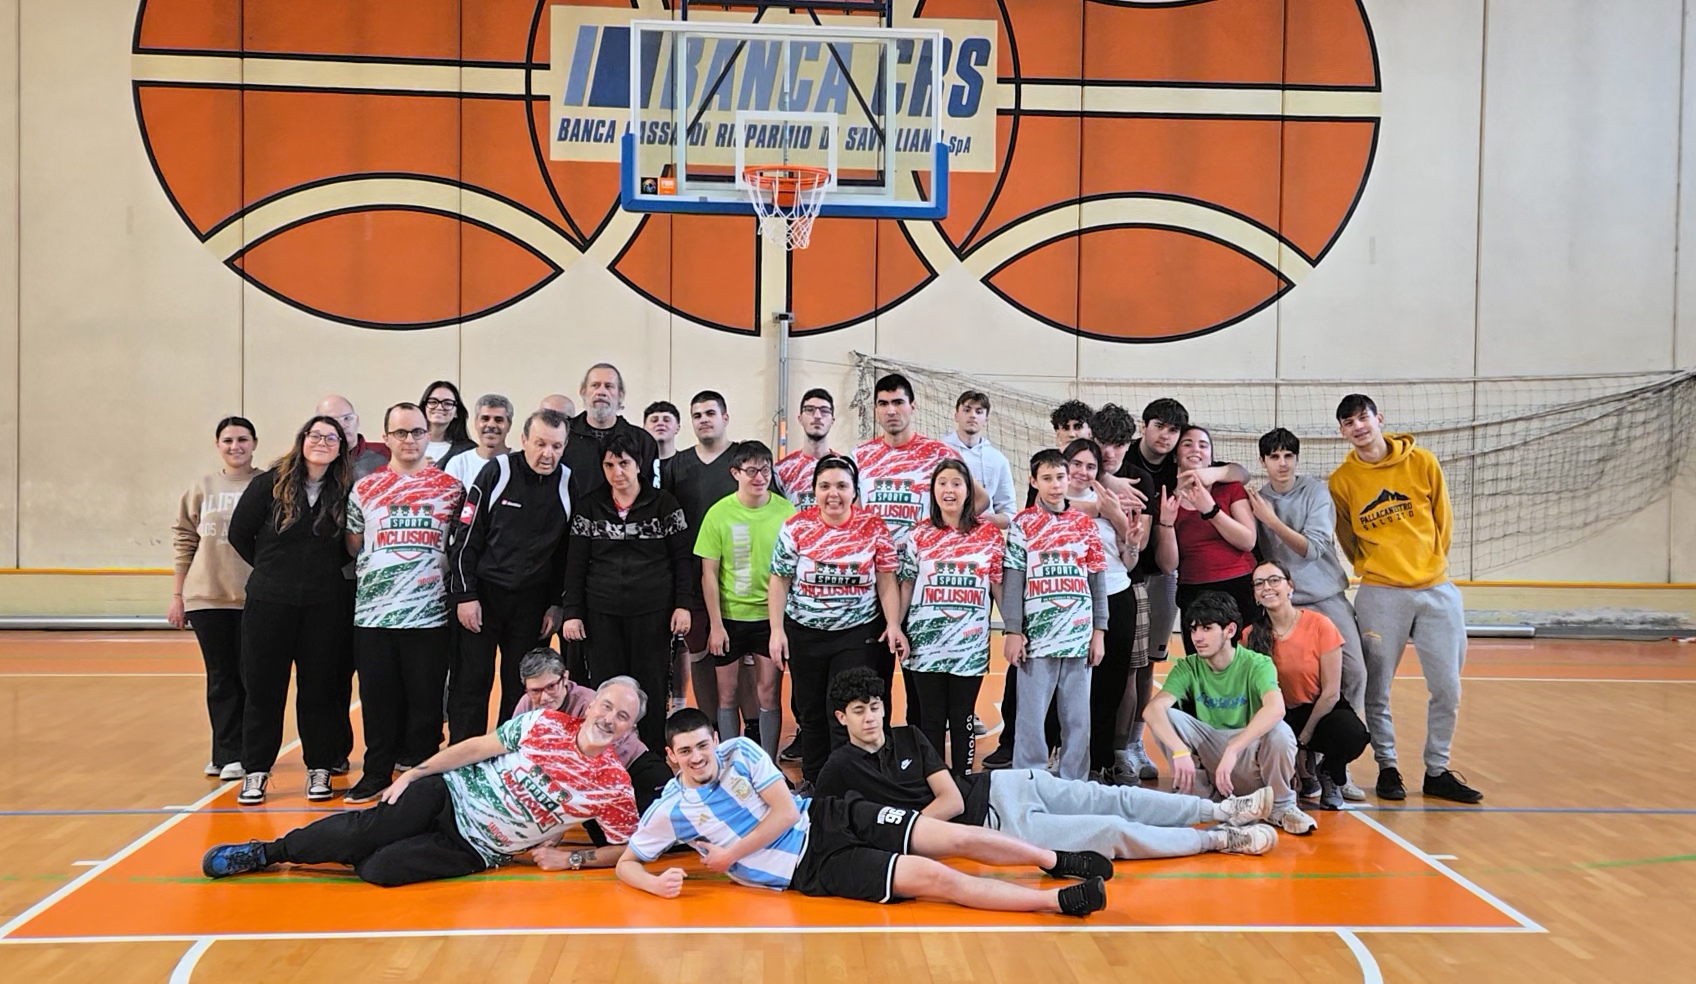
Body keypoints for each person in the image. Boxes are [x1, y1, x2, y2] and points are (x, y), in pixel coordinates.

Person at [617, 708, 1110, 917]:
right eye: (685, 751)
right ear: (671, 756)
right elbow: (627, 862)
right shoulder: (672, 810)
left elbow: (784, 813)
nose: (697, 757)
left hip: (827, 815)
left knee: (950, 835)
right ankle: (1059, 902)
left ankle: (1055, 859)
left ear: (715, 740)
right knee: (936, 878)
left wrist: (730, 856)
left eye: (703, 745)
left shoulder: (741, 751)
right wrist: (654, 884)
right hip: (812, 867)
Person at [202, 678, 648, 887]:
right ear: (591, 704)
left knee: (378, 870)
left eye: (623, 717)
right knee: (367, 830)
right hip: (448, 795)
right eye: (607, 706)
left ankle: (351, 846)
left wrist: (572, 859)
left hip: (476, 847)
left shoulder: (614, 787)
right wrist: (417, 773)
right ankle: (267, 853)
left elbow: (626, 849)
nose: (610, 719)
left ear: (629, 730)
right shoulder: (545, 723)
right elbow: (477, 748)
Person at [816, 668, 1279, 859]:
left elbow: (952, 799)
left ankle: (1219, 810)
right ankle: (1221, 839)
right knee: (1109, 832)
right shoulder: (839, 768)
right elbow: (823, 825)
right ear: (842, 718)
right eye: (859, 711)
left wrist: (908, 830)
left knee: (1111, 798)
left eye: (875, 707)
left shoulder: (909, 737)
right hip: (998, 828)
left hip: (1005, 787)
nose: (871, 717)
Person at [1329, 394, 1482, 804]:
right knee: (1376, 690)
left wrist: (1428, 565)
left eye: (1363, 418)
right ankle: (1387, 767)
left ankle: (1437, 770)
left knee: (1447, 687)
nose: (1358, 427)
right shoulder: (1342, 481)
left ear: (1379, 418)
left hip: (1436, 589)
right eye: (1349, 423)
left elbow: (1443, 521)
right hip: (1380, 593)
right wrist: (1377, 567)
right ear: (1342, 432)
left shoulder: (1423, 462)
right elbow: (1347, 537)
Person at [227, 416, 356, 805]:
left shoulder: (345, 490)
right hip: (269, 603)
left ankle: (319, 768)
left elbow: (349, 546)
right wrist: (273, 570)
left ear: (341, 448)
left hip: (325, 605)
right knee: (263, 690)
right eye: (316, 436)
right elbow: (239, 533)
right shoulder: (269, 483)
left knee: (320, 690)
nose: (322, 443)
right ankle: (256, 771)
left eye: (331, 438)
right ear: (302, 440)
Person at [343, 403, 467, 803]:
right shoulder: (365, 488)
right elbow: (354, 543)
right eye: (400, 433)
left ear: (428, 435)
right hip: (374, 615)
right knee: (378, 700)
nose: (409, 439)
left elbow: (462, 545)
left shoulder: (450, 489)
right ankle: (376, 772)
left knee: (426, 703)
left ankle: (422, 776)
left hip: (429, 614)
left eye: (416, 432)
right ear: (386, 438)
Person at [768, 454, 907, 790]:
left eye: (842, 486)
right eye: (825, 486)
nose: (833, 494)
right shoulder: (796, 526)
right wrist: (776, 630)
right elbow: (779, 580)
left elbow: (886, 579)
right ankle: (816, 783)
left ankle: (851, 783)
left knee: (846, 710)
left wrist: (893, 624)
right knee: (811, 712)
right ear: (814, 490)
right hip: (805, 633)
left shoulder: (873, 527)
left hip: (856, 634)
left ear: (854, 491)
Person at [1248, 427, 1368, 801]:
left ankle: (1338, 767)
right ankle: (1302, 762)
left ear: (1297, 459)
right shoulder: (1256, 499)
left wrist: (1271, 520)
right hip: (1284, 603)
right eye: (1274, 457)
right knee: (1292, 683)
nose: (1282, 463)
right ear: (1263, 461)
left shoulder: (1315, 492)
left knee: (1354, 673)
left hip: (1325, 596)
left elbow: (1312, 549)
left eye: (1288, 456)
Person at [855, 373, 983, 714]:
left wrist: (946, 537)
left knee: (920, 688)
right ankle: (879, 745)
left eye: (898, 402)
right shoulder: (861, 456)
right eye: (883, 403)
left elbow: (978, 499)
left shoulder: (938, 454)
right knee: (873, 680)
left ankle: (920, 745)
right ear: (875, 409)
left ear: (913, 406)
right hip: (875, 585)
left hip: (923, 586)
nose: (891, 410)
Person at [561, 430, 695, 752]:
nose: (617, 472)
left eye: (624, 464)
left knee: (651, 686)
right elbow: (575, 563)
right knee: (606, 689)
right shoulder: (589, 506)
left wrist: (683, 605)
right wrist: (573, 612)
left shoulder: (665, 504)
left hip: (653, 612)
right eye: (609, 465)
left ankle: (649, 756)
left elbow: (683, 559)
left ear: (639, 464)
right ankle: (604, 755)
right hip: (601, 612)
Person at [445, 408, 573, 743]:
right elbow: (466, 538)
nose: (548, 454)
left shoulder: (566, 482)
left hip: (532, 603)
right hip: (483, 596)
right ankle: (465, 758)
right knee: (471, 682)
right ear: (524, 440)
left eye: (557, 446)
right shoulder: (497, 472)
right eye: (541, 444)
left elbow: (564, 555)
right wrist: (465, 595)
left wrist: (555, 605)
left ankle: (512, 753)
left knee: (523, 686)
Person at [1142, 592, 1315, 835]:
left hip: (1248, 756)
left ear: (1230, 630)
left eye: (1207, 628)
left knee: (1280, 731)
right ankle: (1203, 800)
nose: (1197, 637)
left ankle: (1281, 806)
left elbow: (1276, 707)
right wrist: (1179, 750)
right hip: (1213, 752)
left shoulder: (1257, 663)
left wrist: (1234, 748)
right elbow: (1152, 710)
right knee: (1167, 717)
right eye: (1193, 630)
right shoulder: (1188, 666)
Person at [1003, 449, 1107, 781]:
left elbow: (1097, 578)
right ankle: (1028, 780)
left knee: (1078, 718)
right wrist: (1013, 630)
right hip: (1037, 638)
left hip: (1078, 636)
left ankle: (1074, 782)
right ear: (1034, 481)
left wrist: (1099, 630)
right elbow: (1013, 579)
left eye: (1060, 477)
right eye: (1046, 478)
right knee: (1031, 718)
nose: (1055, 485)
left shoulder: (1084, 524)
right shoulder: (1022, 524)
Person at [895, 458, 1003, 777]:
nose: (949, 490)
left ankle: (963, 780)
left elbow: (998, 586)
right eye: (942, 483)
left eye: (957, 483)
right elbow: (906, 584)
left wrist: (1013, 628)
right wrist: (896, 627)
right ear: (933, 490)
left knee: (962, 716)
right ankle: (935, 783)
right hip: (926, 643)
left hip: (970, 645)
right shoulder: (919, 534)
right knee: (930, 718)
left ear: (968, 490)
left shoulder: (989, 534)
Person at [170, 415, 261, 781]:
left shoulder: (266, 485)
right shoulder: (202, 487)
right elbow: (184, 540)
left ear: (254, 443)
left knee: (251, 677)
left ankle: (249, 752)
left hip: (253, 598)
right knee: (221, 677)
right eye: (228, 440)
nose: (235, 446)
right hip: (207, 597)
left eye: (242, 439)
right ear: (218, 445)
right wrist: (178, 595)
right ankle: (225, 753)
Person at [1244, 561, 1372, 811]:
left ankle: (1329, 772)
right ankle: (1299, 772)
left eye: (1274, 580)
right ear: (1255, 595)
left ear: (1290, 586)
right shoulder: (1251, 635)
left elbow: (1331, 693)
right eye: (1259, 583)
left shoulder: (1320, 624)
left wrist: (1303, 738)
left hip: (1319, 709)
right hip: (1278, 712)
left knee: (1352, 733)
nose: (1267, 587)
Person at [696, 440, 795, 759]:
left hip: (770, 618)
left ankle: (769, 763)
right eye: (751, 470)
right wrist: (716, 625)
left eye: (765, 469)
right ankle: (727, 761)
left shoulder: (786, 512)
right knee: (727, 695)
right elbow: (709, 574)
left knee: (769, 694)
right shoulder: (718, 513)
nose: (759, 477)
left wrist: (780, 625)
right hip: (730, 619)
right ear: (735, 473)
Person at [1063, 439, 1150, 785]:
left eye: (1091, 467)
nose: (1083, 472)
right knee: (1069, 686)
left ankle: (1100, 761)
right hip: (1071, 600)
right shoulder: (1053, 499)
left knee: (1110, 685)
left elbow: (1128, 560)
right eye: (1077, 464)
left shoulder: (1113, 501)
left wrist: (1131, 539)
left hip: (1116, 594)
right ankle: (1065, 756)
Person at [509, 648, 674, 815]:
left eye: (551, 687)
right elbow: (513, 750)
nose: (544, 697)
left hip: (625, 765)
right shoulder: (526, 704)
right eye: (535, 691)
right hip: (580, 781)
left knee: (659, 805)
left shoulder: (587, 702)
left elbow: (592, 762)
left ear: (565, 678)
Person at [665, 391, 743, 737]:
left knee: (743, 662)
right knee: (699, 655)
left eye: (710, 413)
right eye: (697, 415)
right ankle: (710, 731)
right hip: (694, 578)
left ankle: (747, 733)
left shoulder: (742, 458)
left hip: (740, 579)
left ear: (725, 417)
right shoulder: (676, 465)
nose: (703, 420)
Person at [1089, 404, 1158, 785]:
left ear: (1129, 444)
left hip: (1120, 585)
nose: (1110, 452)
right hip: (1074, 589)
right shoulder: (1076, 471)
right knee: (1072, 677)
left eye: (1118, 444)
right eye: (1103, 443)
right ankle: (1065, 750)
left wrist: (1114, 514)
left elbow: (1138, 545)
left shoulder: (1140, 480)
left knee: (1118, 678)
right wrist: (1102, 484)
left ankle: (1108, 755)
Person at [1155, 426, 1259, 655]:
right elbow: (1168, 565)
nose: (1196, 449)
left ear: (1211, 457)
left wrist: (1210, 510)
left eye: (1203, 445)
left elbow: (1248, 540)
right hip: (1194, 591)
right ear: (1176, 455)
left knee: (1246, 662)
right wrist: (1167, 524)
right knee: (1201, 666)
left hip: (1239, 585)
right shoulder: (1167, 499)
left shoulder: (1229, 489)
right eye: (1187, 444)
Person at [563, 363, 660, 496]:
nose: (601, 392)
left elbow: (652, 496)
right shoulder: (563, 435)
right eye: (595, 385)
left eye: (609, 386)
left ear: (621, 395)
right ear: (583, 392)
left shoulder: (643, 441)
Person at [942, 390, 1015, 529]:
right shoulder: (938, 452)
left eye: (979, 411)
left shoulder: (998, 460)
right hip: (944, 532)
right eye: (967, 410)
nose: (972, 415)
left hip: (984, 536)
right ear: (956, 416)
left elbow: (1009, 514)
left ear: (986, 420)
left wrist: (985, 519)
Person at [775, 388, 838, 511]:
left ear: (832, 420)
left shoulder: (845, 467)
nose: (817, 416)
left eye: (824, 411)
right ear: (800, 418)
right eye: (810, 410)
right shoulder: (781, 470)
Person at [444, 394, 515, 489]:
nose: (491, 425)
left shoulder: (521, 464)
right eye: (485, 419)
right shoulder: (458, 464)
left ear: (509, 425)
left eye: (498, 420)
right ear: (475, 423)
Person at [318, 394, 389, 480]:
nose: (343, 425)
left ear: (357, 421)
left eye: (347, 418)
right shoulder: (313, 461)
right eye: (333, 421)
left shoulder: (387, 453)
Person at [420, 380, 475, 470]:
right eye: (433, 402)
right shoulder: (408, 444)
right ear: (424, 407)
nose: (439, 407)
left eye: (448, 403)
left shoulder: (469, 451)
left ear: (456, 412)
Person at [643, 400, 682, 473]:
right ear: (644, 428)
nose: (660, 423)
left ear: (678, 427)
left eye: (666, 420)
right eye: (654, 420)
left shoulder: (688, 463)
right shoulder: (637, 466)